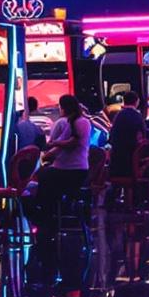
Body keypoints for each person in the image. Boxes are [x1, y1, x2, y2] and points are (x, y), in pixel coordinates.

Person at [32, 93, 93, 224]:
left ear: (63, 107)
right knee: (45, 181)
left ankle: (46, 215)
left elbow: (69, 143)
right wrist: (53, 146)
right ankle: (50, 214)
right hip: (72, 169)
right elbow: (61, 142)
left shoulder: (81, 122)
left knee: (42, 176)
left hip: (72, 170)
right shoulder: (73, 122)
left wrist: (50, 146)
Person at [105, 88, 144, 199]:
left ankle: (117, 200)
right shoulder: (137, 116)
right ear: (136, 101)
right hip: (131, 162)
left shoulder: (119, 116)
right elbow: (142, 136)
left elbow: (112, 137)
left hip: (117, 160)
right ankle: (137, 200)